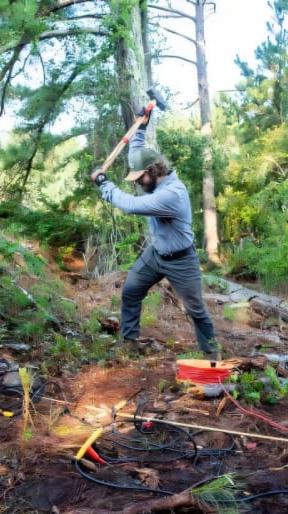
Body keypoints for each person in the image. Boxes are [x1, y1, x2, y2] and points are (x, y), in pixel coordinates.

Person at [90, 107, 221, 360]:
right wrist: (141, 126)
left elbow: (131, 206)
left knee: (195, 309)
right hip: (157, 253)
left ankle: (212, 357)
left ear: (151, 171)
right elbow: (136, 151)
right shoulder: (151, 176)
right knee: (131, 291)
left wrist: (104, 184)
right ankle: (129, 342)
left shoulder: (172, 195)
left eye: (139, 178)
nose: (137, 182)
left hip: (181, 259)